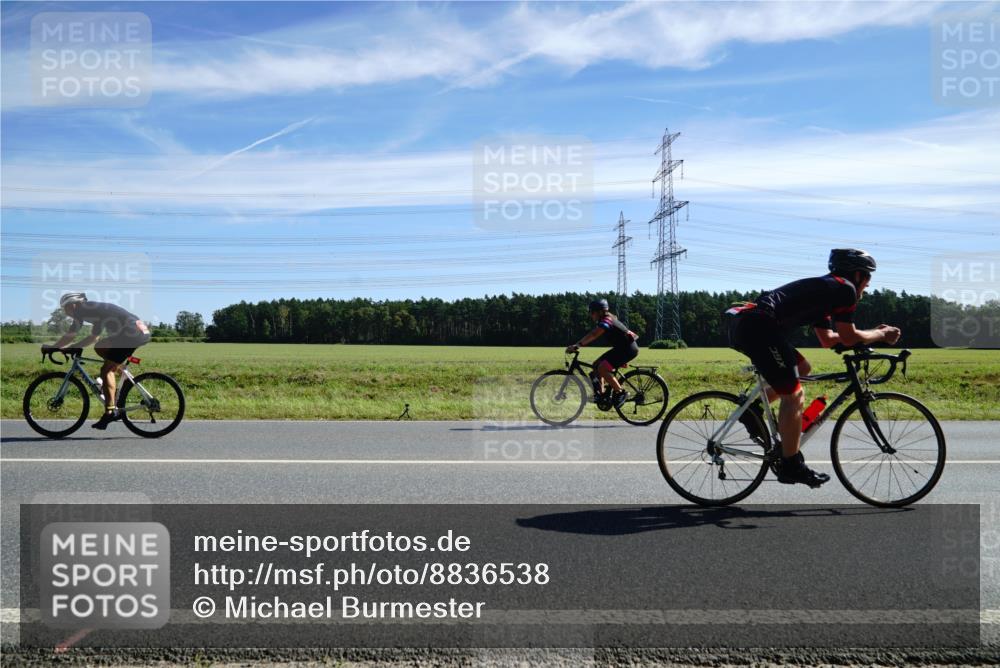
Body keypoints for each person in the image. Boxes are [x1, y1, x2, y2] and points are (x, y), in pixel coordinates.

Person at [727, 249, 901, 487]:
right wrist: (881, 334)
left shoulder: (829, 291)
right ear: (858, 275)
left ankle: (753, 409)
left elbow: (829, 338)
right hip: (759, 326)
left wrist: (872, 336)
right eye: (868, 277)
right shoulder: (844, 289)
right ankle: (791, 465)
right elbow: (849, 337)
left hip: (753, 324)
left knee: (803, 368)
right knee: (794, 394)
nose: (868, 285)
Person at [43, 292, 151, 430]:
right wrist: (72, 347)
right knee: (99, 347)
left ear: (74, 305)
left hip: (131, 332)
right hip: (137, 330)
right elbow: (94, 338)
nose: (65, 311)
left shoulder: (82, 310)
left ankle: (110, 412)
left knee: (106, 371)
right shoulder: (93, 310)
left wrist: (53, 348)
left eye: (66, 308)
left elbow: (71, 334)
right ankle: (115, 375)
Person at [566, 299, 639, 408]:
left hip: (627, 349)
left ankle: (621, 392)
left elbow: (594, 334)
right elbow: (594, 334)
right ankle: (601, 395)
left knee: (602, 368)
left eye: (592, 312)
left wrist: (578, 345)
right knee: (596, 365)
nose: (591, 315)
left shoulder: (607, 320)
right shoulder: (607, 319)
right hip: (622, 348)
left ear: (600, 312)